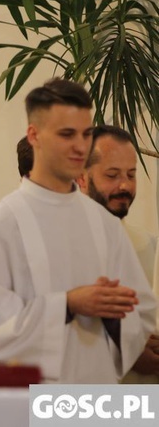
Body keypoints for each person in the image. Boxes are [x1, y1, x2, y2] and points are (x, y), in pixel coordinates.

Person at [0, 78, 155, 383]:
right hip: (31, 404)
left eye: (86, 134)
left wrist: (114, 315)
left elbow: (141, 313)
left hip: (97, 400)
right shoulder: (2, 226)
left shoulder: (104, 224)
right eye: (67, 134)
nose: (80, 146)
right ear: (34, 135)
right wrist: (67, 305)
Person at [77, 124, 159, 382]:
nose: (124, 185)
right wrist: (129, 352)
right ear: (81, 178)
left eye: (131, 174)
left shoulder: (148, 244)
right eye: (112, 175)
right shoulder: (48, 244)